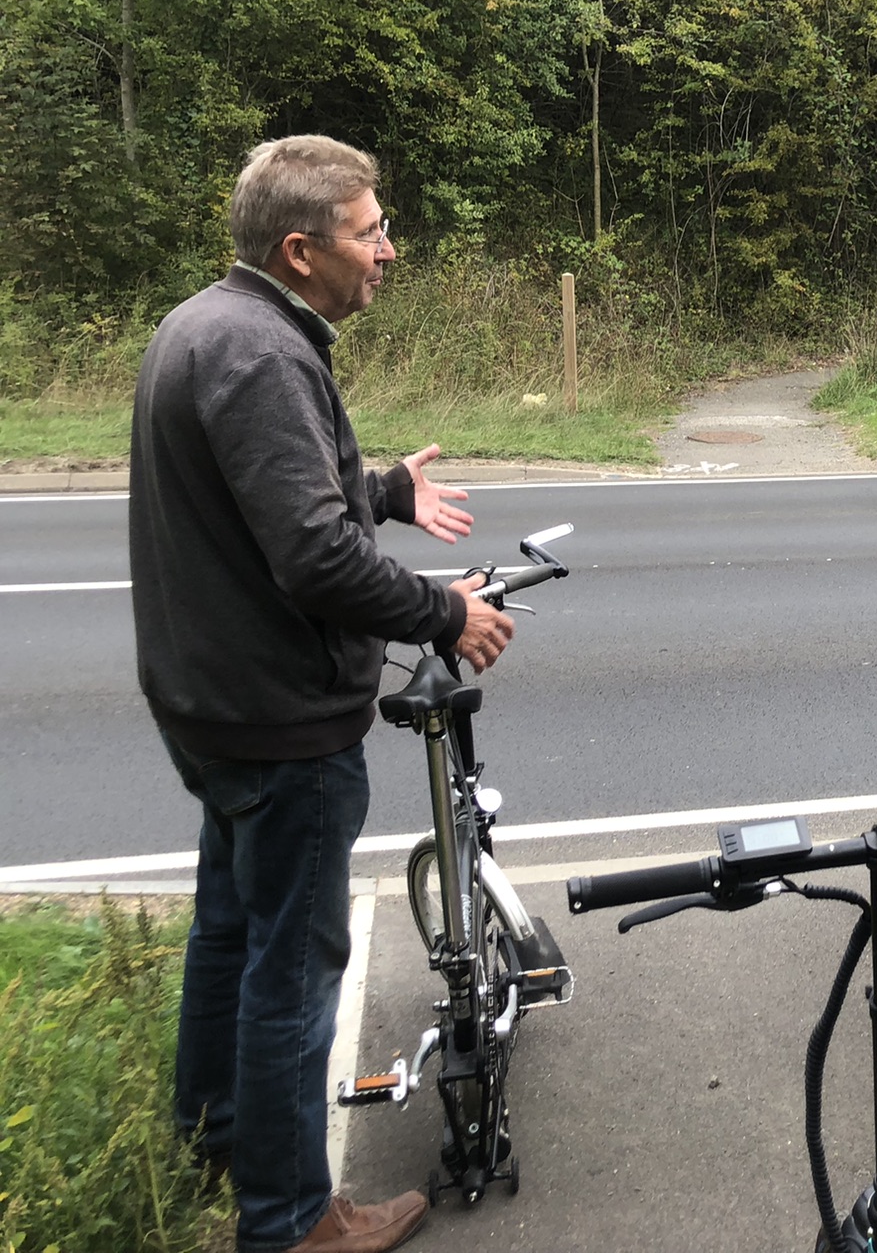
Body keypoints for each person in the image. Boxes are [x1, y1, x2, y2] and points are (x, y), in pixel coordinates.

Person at [129, 135, 515, 1253]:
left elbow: (276, 485)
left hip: (209, 700)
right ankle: (295, 1219)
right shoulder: (263, 355)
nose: (388, 249)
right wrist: (448, 612)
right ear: (301, 250)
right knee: (295, 968)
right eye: (369, 230)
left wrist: (385, 485)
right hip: (276, 713)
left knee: (231, 927)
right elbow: (311, 558)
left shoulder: (211, 324)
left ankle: (214, 1134)